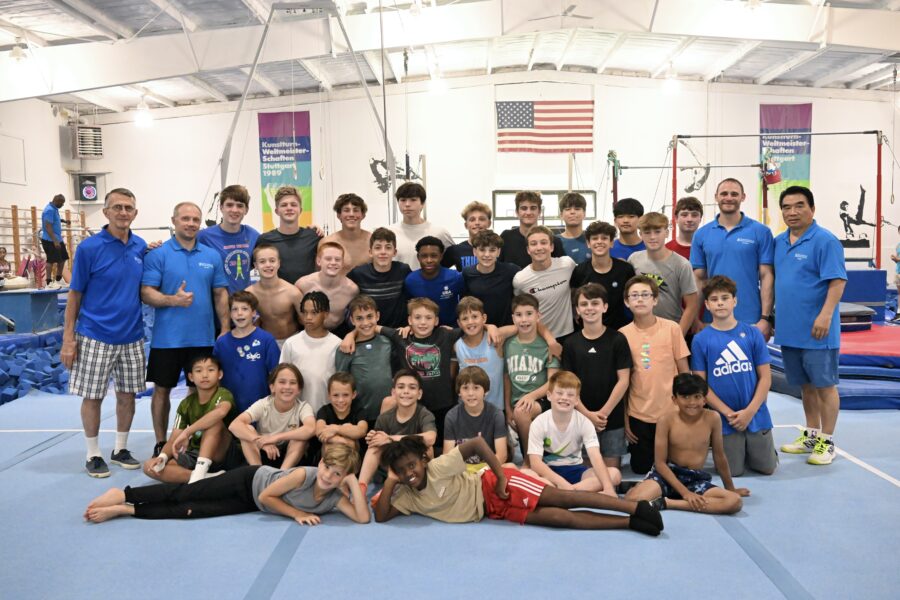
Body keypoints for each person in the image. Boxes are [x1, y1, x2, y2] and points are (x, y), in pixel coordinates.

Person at [374, 435, 664, 536]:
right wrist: (390, 481)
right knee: (559, 519)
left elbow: (476, 444)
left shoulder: (438, 467)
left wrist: (500, 476)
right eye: (402, 470)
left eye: (412, 465)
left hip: (493, 486)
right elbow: (382, 516)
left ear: (423, 460)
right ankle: (629, 523)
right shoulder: (408, 496)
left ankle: (634, 507)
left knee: (564, 499)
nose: (409, 473)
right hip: (492, 510)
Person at [60, 188, 146, 478]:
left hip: (132, 336)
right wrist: (68, 339)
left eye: (128, 208)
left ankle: (120, 449)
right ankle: (93, 453)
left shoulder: (140, 246)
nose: (123, 212)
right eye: (117, 207)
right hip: (95, 334)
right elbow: (75, 295)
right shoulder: (89, 248)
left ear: (135, 213)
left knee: (127, 396)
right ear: (106, 212)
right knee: (93, 396)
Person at [84, 443, 369, 526]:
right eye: (327, 468)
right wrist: (297, 514)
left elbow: (362, 518)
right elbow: (268, 497)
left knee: (190, 511)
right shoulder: (304, 475)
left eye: (337, 474)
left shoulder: (333, 497)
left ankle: (127, 510)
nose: (328, 476)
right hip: (249, 480)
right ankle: (124, 494)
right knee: (187, 492)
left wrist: (353, 482)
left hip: (249, 503)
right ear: (320, 464)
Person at [142, 202, 230, 457]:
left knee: (201, 390)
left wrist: (224, 328)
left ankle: (193, 441)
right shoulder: (158, 254)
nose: (191, 224)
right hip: (167, 340)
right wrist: (173, 300)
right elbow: (146, 292)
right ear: (174, 221)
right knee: (162, 390)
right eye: (185, 219)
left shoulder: (211, 256)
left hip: (202, 338)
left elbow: (220, 293)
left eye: (195, 219)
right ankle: (161, 442)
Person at [774, 186, 847, 466]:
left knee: (825, 386)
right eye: (787, 207)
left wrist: (826, 315)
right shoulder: (779, 242)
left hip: (818, 330)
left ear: (812, 209)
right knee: (805, 386)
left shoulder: (825, 241)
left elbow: (837, 281)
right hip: (790, 329)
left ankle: (827, 441)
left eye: (799, 206)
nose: (792, 212)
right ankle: (811, 434)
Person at [625, 374, 749, 514]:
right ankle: (644, 487)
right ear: (674, 399)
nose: (692, 402)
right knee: (632, 501)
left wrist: (730, 489)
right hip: (667, 475)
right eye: (685, 397)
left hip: (694, 479)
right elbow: (660, 463)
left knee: (734, 501)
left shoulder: (713, 418)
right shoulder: (666, 420)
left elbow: (719, 456)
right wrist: (685, 493)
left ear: (705, 399)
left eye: (697, 396)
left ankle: (669, 503)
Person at [691, 276, 776, 477]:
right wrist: (728, 413)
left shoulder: (752, 334)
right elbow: (701, 385)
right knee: (733, 472)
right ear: (707, 305)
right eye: (714, 299)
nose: (720, 303)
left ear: (734, 301)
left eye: (725, 298)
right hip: (725, 418)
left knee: (767, 468)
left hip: (755, 413)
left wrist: (750, 411)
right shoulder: (701, 340)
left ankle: (762, 449)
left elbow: (765, 378)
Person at [620, 276, 690, 474]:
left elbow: (684, 373)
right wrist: (626, 419)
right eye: (634, 295)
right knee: (641, 469)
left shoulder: (672, 328)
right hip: (639, 415)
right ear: (627, 302)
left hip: (670, 412)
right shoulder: (622, 335)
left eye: (645, 295)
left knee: (677, 469)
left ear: (655, 300)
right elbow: (623, 382)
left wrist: (686, 411)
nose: (640, 299)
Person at [691, 178, 774, 338]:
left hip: (751, 318)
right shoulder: (701, 234)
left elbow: (766, 276)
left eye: (734, 194)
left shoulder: (761, 232)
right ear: (716, 196)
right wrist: (695, 318)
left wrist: (765, 318)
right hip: (713, 318)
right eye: (724, 194)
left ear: (743, 197)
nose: (729, 198)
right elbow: (698, 279)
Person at [563, 284, 632, 469]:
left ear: (605, 307)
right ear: (577, 310)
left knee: (612, 474)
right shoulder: (570, 344)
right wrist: (587, 415)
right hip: (581, 417)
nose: (589, 308)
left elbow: (624, 380)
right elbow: (568, 386)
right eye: (584, 304)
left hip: (612, 418)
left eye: (595, 303)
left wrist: (603, 414)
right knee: (587, 476)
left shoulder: (618, 339)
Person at [142, 355, 239, 484]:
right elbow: (174, 439)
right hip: (195, 453)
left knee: (215, 423)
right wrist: (162, 457)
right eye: (199, 371)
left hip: (223, 453)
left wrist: (187, 432)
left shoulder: (223, 394)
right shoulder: (186, 404)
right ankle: (207, 477)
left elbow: (220, 412)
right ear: (191, 377)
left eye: (210, 370)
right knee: (150, 466)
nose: (205, 375)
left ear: (219, 374)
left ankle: (199, 474)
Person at [525, 371, 620, 494]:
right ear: (549, 395)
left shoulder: (584, 422)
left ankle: (562, 494)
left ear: (576, 400)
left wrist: (608, 488)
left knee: (615, 474)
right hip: (549, 473)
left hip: (577, 471)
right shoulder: (539, 422)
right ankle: (573, 493)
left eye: (570, 395)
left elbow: (595, 457)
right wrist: (562, 483)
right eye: (559, 393)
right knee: (526, 474)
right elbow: (536, 463)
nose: (564, 398)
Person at [358, 370, 437, 492]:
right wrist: (373, 437)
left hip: (414, 465)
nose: (406, 391)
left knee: (428, 449)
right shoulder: (385, 417)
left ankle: (426, 486)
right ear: (393, 393)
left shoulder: (425, 414)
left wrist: (390, 438)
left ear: (419, 394)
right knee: (374, 446)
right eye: (401, 387)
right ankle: (361, 489)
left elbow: (431, 438)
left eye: (412, 387)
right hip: (392, 464)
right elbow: (378, 440)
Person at [505, 293, 560, 464]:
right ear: (513, 318)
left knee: (522, 411)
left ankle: (530, 462)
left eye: (529, 314)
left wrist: (531, 396)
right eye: (519, 315)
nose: (524, 320)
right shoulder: (508, 344)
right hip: (518, 402)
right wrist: (507, 408)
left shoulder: (548, 346)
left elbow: (553, 382)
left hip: (542, 399)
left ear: (538, 316)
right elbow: (506, 377)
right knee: (520, 410)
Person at [229, 363, 316, 469]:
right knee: (247, 429)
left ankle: (281, 474)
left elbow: (311, 428)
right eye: (282, 382)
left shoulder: (303, 407)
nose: (287, 387)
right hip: (264, 452)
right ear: (272, 387)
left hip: (289, 456)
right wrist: (260, 441)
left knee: (300, 437)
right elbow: (234, 425)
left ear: (299, 389)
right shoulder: (263, 404)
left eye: (293, 383)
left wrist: (275, 438)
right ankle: (257, 472)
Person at [628, 212, 699, 337]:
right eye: (647, 232)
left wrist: (678, 335)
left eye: (657, 232)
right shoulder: (634, 260)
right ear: (640, 234)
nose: (652, 237)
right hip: (641, 330)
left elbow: (692, 305)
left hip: (672, 328)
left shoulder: (682, 264)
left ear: (666, 233)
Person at [335, 295, 397, 429]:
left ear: (377, 316)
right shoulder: (346, 348)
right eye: (359, 318)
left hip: (389, 412)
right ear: (352, 320)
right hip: (360, 414)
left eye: (369, 316)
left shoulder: (387, 342)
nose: (365, 322)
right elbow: (341, 382)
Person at [213, 290, 280, 412]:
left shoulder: (266, 340)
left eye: (244, 309)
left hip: (261, 408)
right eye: (235, 309)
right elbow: (215, 377)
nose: (239, 313)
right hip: (230, 408)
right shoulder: (221, 343)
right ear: (230, 313)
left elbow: (276, 374)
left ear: (253, 312)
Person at [280, 291, 341, 414]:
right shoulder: (291, 343)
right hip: (297, 413)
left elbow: (341, 382)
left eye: (314, 312)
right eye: (305, 312)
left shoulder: (337, 344)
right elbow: (282, 378)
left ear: (326, 314)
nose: (308, 317)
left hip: (328, 413)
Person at [513, 226, 577, 340]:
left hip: (567, 335)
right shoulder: (520, 279)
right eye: (533, 244)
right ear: (528, 250)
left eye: (543, 242)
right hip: (537, 337)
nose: (539, 248)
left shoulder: (567, 264)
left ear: (551, 247)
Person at [570, 221, 635, 330]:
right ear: (588, 243)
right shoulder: (580, 271)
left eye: (604, 238)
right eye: (595, 238)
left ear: (611, 243)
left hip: (618, 330)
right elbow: (574, 300)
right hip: (588, 329)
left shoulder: (625, 269)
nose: (599, 242)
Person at [443, 366, 508, 472]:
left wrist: (482, 471)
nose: (470, 393)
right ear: (459, 392)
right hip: (462, 471)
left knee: (511, 467)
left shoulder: (496, 414)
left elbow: (502, 455)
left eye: (476, 388)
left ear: (486, 391)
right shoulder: (452, 416)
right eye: (465, 388)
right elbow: (448, 456)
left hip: (489, 469)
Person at [196, 184, 259, 293]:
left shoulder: (253, 235)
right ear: (221, 207)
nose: (234, 210)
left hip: (243, 300)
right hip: (216, 299)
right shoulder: (204, 236)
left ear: (246, 210)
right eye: (229, 205)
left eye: (240, 206)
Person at [256, 186, 322, 284]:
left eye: (293, 204)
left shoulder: (314, 236)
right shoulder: (265, 240)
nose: (289, 208)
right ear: (276, 211)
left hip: (308, 292)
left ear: (300, 210)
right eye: (284, 205)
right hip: (277, 293)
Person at [347, 227, 411, 328]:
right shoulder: (358, 274)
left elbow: (412, 298)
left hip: (398, 330)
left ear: (394, 252)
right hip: (369, 330)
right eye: (378, 248)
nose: (383, 252)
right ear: (370, 252)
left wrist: (409, 325)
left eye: (388, 247)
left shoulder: (403, 270)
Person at [295, 242, 359, 336]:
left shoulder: (352, 290)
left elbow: (357, 317)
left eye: (337, 259)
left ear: (342, 263)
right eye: (328, 259)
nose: (333, 262)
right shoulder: (303, 284)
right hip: (307, 332)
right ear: (319, 261)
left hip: (338, 333)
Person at [454, 297, 505, 411]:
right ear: (459, 323)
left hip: (496, 409)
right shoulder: (456, 345)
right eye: (465, 318)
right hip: (467, 410)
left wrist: (491, 326)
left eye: (475, 316)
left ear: (484, 318)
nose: (470, 322)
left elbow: (520, 327)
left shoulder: (496, 337)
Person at [246, 244, 303, 346]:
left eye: (272, 260)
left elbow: (306, 321)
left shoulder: (293, 292)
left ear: (279, 263)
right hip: (266, 342)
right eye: (262, 261)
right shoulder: (250, 294)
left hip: (293, 341)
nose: (268, 265)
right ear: (255, 265)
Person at [388, 182, 454, 269]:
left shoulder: (439, 232)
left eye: (413, 200)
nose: (407, 204)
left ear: (422, 203)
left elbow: (454, 257)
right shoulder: (389, 232)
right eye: (403, 200)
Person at [462, 230, 521, 326]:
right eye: (482, 250)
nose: (487, 255)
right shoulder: (467, 273)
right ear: (474, 251)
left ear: (498, 252)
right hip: (478, 328)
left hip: (507, 329)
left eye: (492, 250)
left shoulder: (511, 270)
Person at [404, 236, 465, 327]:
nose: (429, 260)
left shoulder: (455, 277)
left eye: (434, 256)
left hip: (451, 329)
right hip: (422, 329)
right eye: (424, 256)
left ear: (441, 256)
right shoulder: (410, 281)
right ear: (418, 257)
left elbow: (465, 304)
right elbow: (408, 309)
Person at [499, 191, 565, 268]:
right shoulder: (506, 237)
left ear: (539, 212)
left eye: (533, 208)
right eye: (524, 208)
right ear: (517, 212)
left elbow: (562, 270)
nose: (528, 212)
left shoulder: (553, 241)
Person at [318, 193, 371, 275]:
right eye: (346, 210)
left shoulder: (373, 241)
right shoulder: (327, 242)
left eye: (356, 210)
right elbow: (319, 273)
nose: (351, 214)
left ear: (363, 215)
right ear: (339, 215)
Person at [315, 372, 368, 451]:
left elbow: (362, 431)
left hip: (352, 455)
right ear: (329, 395)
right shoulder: (324, 411)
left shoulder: (359, 410)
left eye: (345, 395)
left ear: (353, 394)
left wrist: (336, 429)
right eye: (336, 395)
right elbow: (319, 431)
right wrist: (343, 441)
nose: (340, 400)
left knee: (350, 435)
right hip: (329, 454)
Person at [444, 201, 492, 271]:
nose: (477, 223)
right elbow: (437, 272)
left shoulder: (499, 249)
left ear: (489, 223)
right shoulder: (456, 250)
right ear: (466, 225)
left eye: (482, 219)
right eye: (472, 220)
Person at [40, 193, 69, 289]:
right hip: (50, 239)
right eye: (62, 203)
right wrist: (55, 240)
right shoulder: (49, 210)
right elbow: (48, 226)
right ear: (57, 201)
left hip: (57, 238)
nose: (63, 205)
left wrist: (64, 221)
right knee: (51, 260)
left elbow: (55, 219)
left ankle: (58, 279)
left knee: (63, 258)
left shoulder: (54, 209)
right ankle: (48, 283)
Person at [557, 192, 590, 264]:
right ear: (561, 215)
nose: (572, 212)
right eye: (568, 209)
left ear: (584, 214)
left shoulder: (593, 239)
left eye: (577, 209)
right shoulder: (554, 242)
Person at [666, 196, 703, 260]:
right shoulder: (666, 250)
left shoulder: (708, 248)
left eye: (694, 215)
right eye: (684, 215)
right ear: (676, 218)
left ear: (700, 219)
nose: (689, 219)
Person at [891, 224, 900, 322]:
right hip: (898, 271)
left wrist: (897, 259)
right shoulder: (898, 245)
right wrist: (895, 259)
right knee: (899, 294)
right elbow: (898, 260)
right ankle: (898, 313)